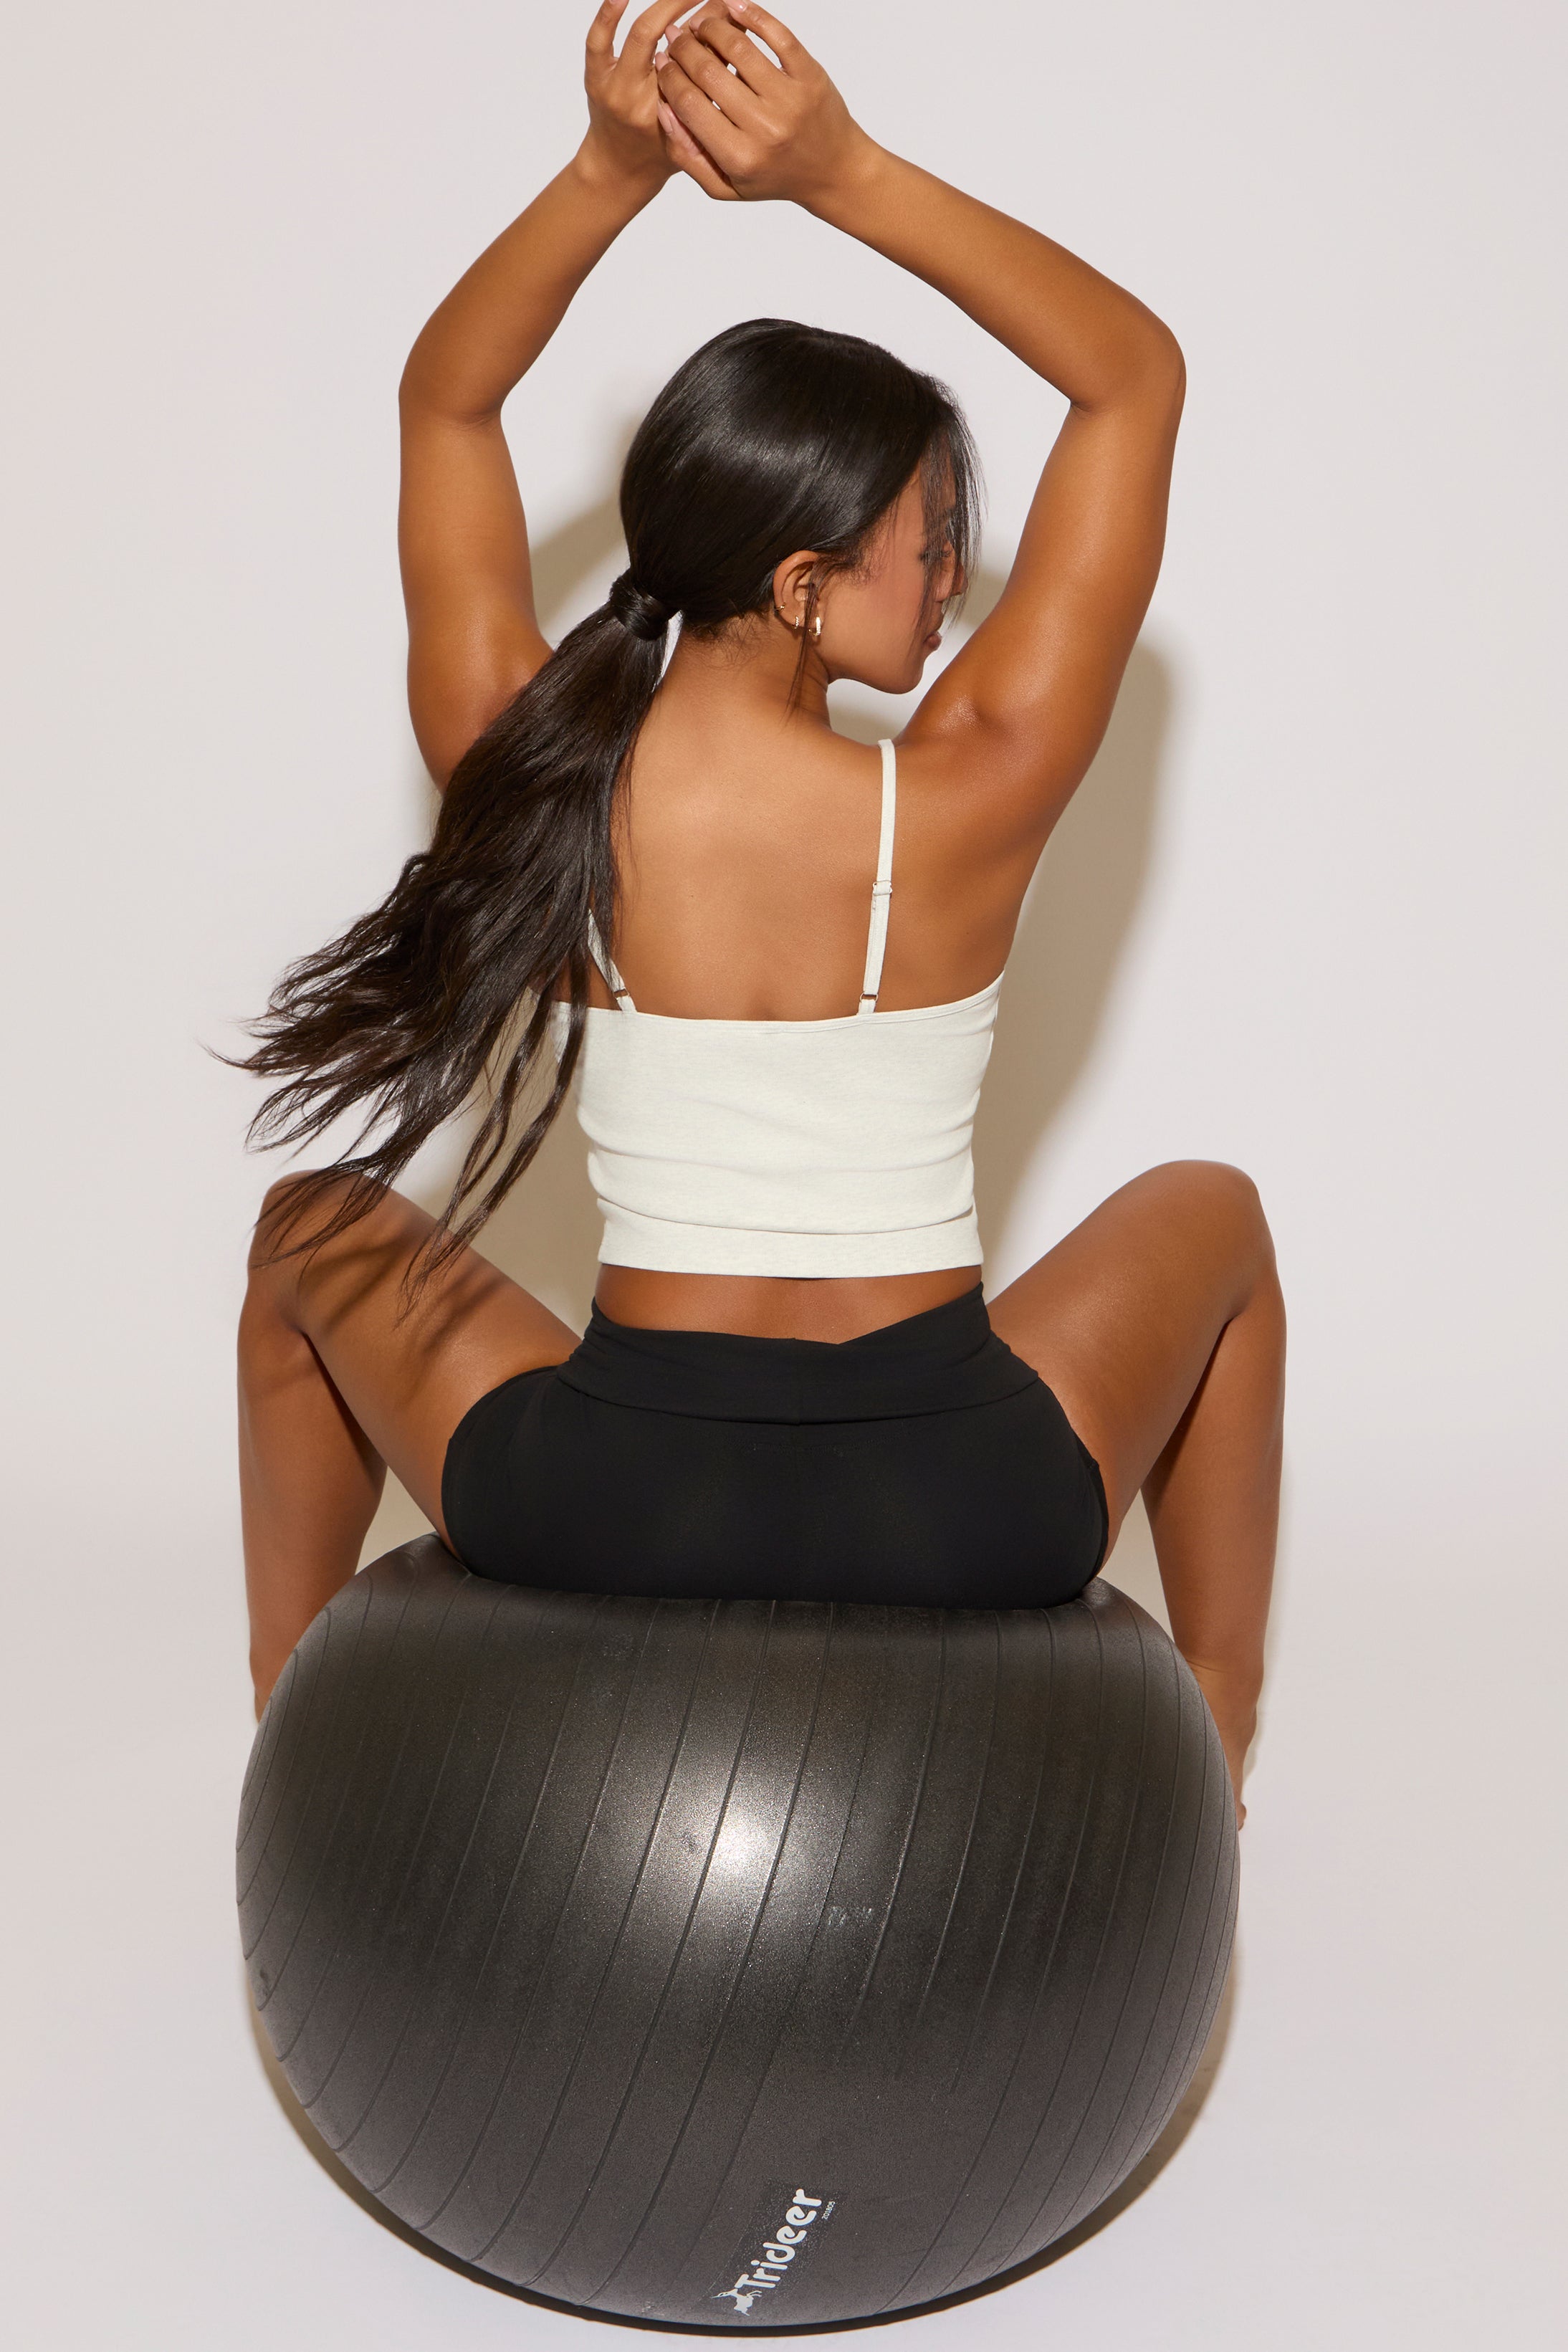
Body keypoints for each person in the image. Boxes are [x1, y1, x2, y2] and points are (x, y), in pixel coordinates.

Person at [237, 0, 1283, 1824]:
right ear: (803, 585)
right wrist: (841, 175)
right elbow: (1132, 374)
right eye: (929, 537)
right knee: (1221, 1221)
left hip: (612, 1492)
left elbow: (446, 398)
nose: (954, 578)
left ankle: (294, 1728)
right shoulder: (965, 787)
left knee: (302, 1238)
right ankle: (1211, 1732)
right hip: (963, 1500)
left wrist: (604, 173)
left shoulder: (527, 764)